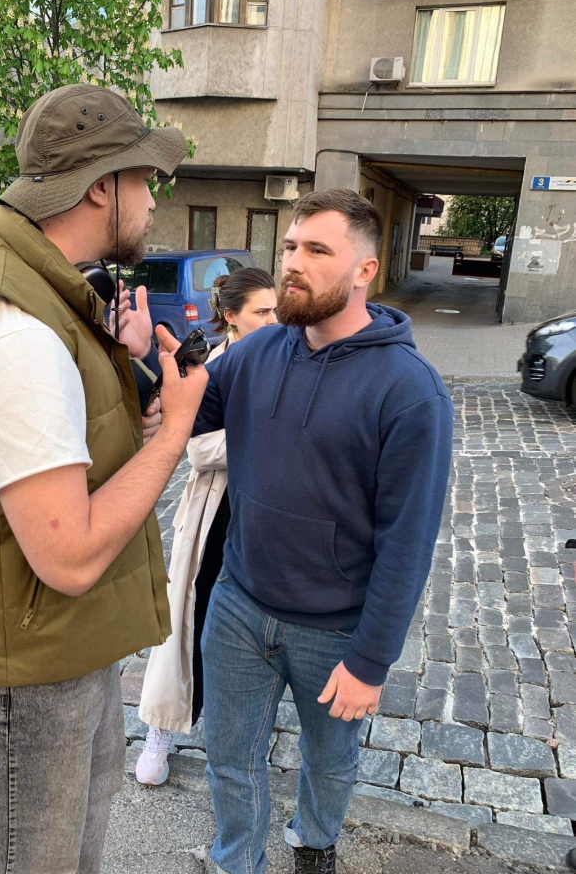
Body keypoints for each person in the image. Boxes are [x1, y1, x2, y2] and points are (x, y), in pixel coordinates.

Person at [0, 83, 209, 874]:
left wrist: (132, 396)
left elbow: (70, 454)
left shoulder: (54, 297)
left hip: (62, 647)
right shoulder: (14, 328)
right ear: (101, 186)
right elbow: (68, 556)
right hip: (28, 667)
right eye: (144, 179)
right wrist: (176, 429)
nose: (152, 199)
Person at [159, 189, 455, 874]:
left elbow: (408, 542)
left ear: (364, 271)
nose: (292, 262)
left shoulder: (411, 391)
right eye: (291, 246)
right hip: (239, 605)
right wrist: (157, 366)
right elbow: (190, 414)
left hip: (337, 628)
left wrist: (371, 662)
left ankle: (314, 843)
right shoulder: (258, 351)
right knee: (230, 757)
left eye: (317, 250)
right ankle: (237, 862)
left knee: (329, 759)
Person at [136, 267, 278, 786]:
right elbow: (196, 448)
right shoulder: (209, 367)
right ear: (231, 317)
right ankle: (161, 729)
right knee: (190, 618)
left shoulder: (288, 361)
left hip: (268, 514)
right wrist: (273, 442)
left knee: (257, 628)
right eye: (262, 311)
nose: (274, 321)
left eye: (277, 310)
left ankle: (246, 736)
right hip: (215, 512)